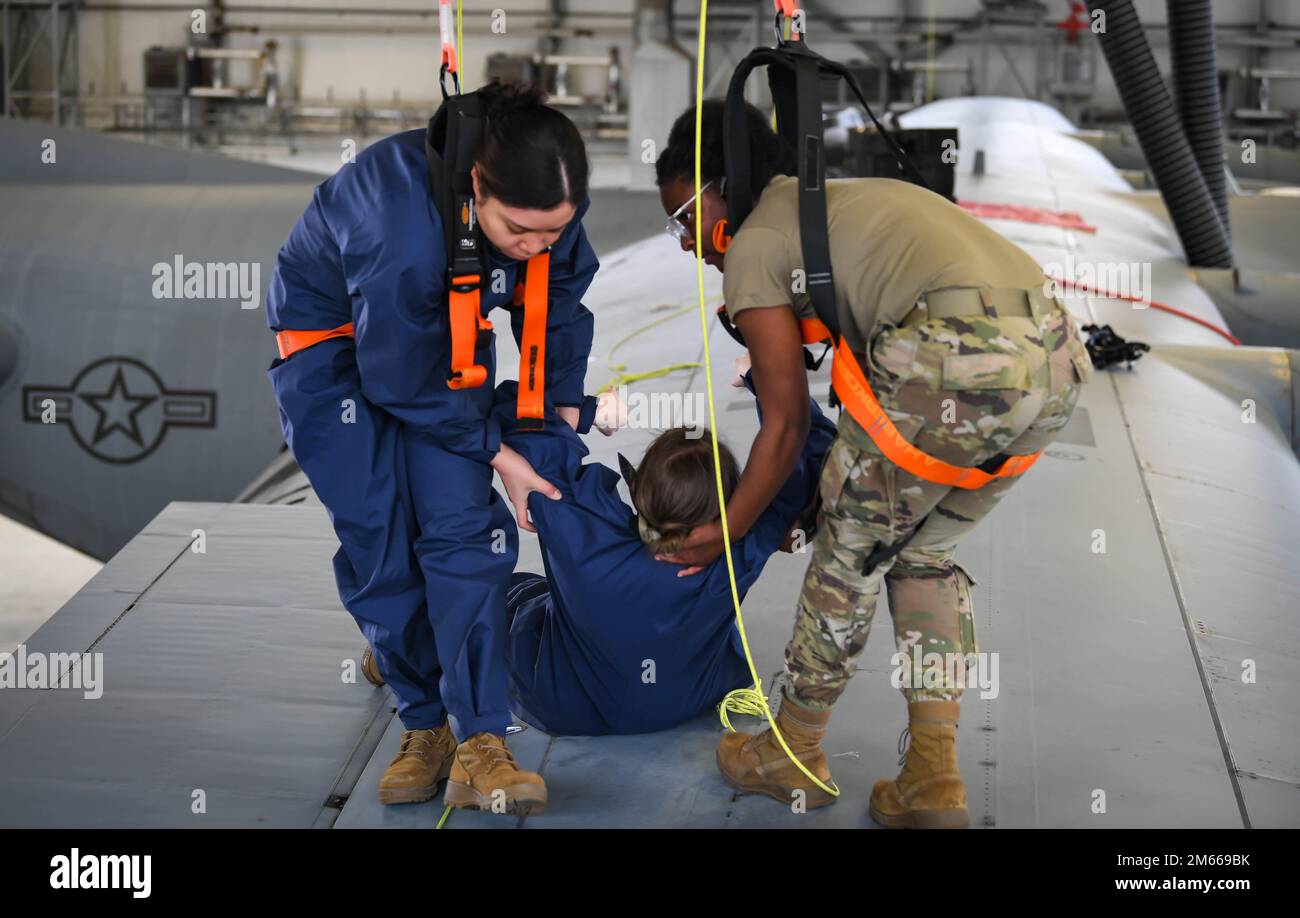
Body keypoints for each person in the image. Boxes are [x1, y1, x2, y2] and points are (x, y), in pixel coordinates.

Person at [653, 100, 1093, 828]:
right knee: (924, 554)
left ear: (718, 192)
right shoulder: (837, 205)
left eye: (681, 222)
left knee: (847, 556)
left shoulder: (757, 242)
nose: (684, 245)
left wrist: (729, 528)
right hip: (1054, 360)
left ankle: (791, 751)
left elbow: (786, 423)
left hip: (955, 353)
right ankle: (932, 779)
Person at [265, 81, 598, 816]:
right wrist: (499, 453)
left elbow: (562, 291)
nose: (539, 245)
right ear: (477, 188)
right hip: (338, 360)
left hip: (440, 341)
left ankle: (481, 743)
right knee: (380, 542)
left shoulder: (541, 200)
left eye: (555, 230)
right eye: (523, 232)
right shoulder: (401, 224)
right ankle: (425, 725)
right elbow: (395, 376)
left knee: (463, 532)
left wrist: (560, 410)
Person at [361, 366, 837, 737]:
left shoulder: (575, 517)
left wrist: (588, 413)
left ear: (635, 486)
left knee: (497, 592)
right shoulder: (742, 548)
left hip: (561, 705)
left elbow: (516, 410)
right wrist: (763, 373)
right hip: (685, 701)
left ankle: (403, 653)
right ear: (734, 506)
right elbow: (805, 453)